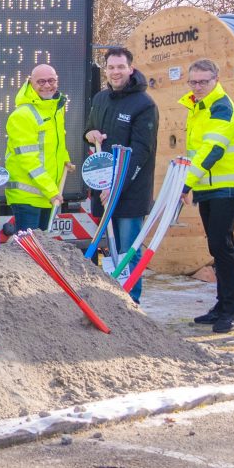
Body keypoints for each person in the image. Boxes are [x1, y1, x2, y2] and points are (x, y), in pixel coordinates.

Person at [178, 58, 234, 332]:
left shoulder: (221, 107)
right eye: (193, 81)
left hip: (227, 187)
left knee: (223, 246)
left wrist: (185, 183)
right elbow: (196, 151)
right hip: (208, 188)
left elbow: (213, 149)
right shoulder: (199, 107)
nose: (198, 87)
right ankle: (223, 304)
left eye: (203, 82)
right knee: (215, 247)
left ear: (216, 80)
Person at [84, 45, 161, 296]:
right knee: (109, 249)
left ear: (131, 68)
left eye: (120, 67)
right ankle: (112, 299)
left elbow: (141, 151)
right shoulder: (100, 99)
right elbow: (90, 131)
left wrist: (117, 187)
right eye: (111, 67)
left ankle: (131, 301)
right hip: (103, 189)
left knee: (129, 248)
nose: (115, 72)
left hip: (130, 191)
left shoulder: (144, 105)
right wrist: (89, 134)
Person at [1, 62, 70, 234]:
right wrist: (52, 191)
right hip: (28, 198)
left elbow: (56, 145)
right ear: (30, 82)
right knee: (29, 254)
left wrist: (65, 160)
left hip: (47, 195)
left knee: (42, 250)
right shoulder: (22, 115)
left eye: (51, 80)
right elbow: (29, 160)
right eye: (41, 81)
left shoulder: (55, 110)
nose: (47, 85)